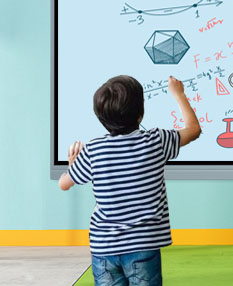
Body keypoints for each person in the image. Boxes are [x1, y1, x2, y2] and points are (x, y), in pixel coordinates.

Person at [59, 75, 201, 286]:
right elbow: (194, 130)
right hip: (144, 244)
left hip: (104, 247)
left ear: (101, 118)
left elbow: (65, 183)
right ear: (140, 114)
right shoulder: (155, 140)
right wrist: (179, 95)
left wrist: (73, 166)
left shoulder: (94, 150)